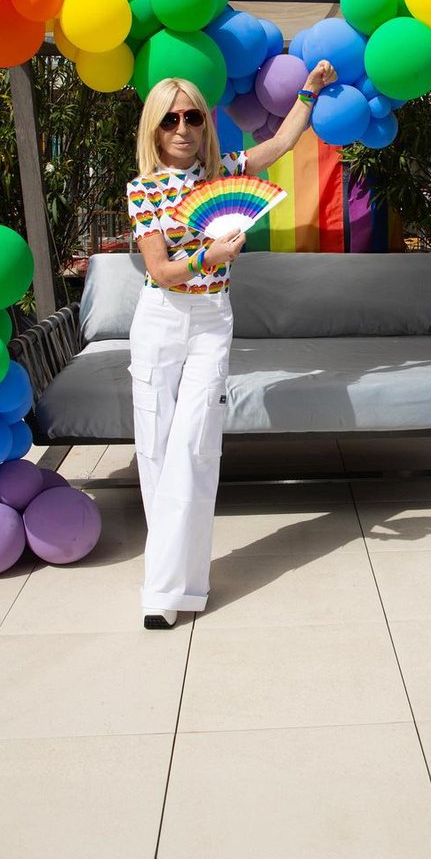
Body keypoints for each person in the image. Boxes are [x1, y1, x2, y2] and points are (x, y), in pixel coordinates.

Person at [125, 60, 337, 628]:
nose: (183, 129)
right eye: (170, 119)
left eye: (193, 116)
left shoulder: (223, 174)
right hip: (161, 318)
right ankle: (169, 588)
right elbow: (163, 271)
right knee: (155, 449)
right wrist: (207, 257)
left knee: (194, 448)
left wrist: (310, 92)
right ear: (154, 128)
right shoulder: (144, 190)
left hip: (212, 319)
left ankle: (169, 590)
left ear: (205, 123)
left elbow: (284, 142)